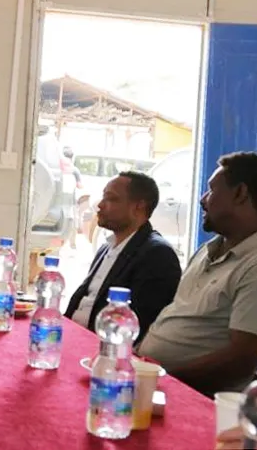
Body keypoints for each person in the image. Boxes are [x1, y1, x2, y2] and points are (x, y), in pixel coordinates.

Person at [139, 152, 257, 396]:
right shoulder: (207, 250)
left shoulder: (253, 265)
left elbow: (241, 361)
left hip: (191, 397)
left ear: (240, 193)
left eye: (212, 191)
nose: (203, 200)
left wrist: (165, 382)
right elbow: (178, 316)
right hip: (151, 380)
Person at [64, 171, 181, 342]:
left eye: (111, 199)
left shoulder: (157, 255)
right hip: (72, 335)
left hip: (104, 347)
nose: (100, 205)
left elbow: (139, 325)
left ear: (138, 207)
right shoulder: (106, 247)